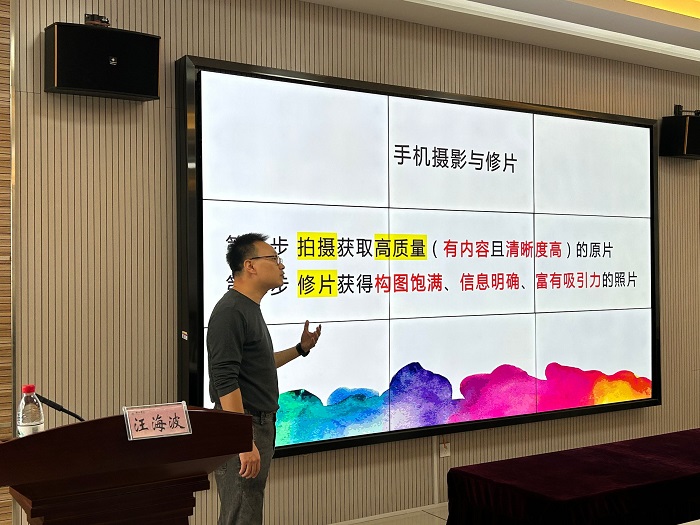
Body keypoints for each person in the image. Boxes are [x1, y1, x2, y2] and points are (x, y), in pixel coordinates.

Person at [207, 232, 322, 525]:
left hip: (258, 425)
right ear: (250, 266)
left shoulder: (248, 308)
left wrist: (300, 349)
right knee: (241, 515)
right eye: (274, 259)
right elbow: (225, 379)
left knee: (247, 511)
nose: (281, 265)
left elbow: (260, 365)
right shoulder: (231, 311)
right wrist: (243, 441)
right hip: (244, 424)